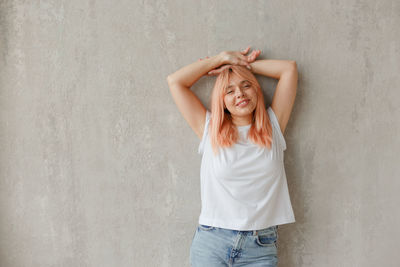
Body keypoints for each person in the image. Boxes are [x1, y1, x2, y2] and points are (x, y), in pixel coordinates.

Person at [166, 46, 298, 267]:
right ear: (222, 101)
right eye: (229, 90)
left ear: (256, 90)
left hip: (260, 245)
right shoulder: (209, 130)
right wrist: (220, 59)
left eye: (246, 85)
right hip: (212, 241)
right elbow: (175, 82)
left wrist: (240, 66)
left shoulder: (274, 128)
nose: (240, 94)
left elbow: (289, 69)